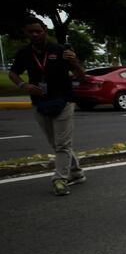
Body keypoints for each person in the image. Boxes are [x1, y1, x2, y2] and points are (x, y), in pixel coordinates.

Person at [8, 16, 87, 196]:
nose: (35, 34)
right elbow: (13, 73)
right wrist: (23, 85)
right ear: (25, 33)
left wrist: (74, 62)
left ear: (45, 30)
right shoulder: (24, 53)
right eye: (31, 31)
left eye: (38, 30)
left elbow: (81, 76)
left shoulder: (60, 50)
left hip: (63, 101)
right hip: (40, 103)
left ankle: (59, 179)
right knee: (56, 144)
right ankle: (76, 173)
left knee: (62, 145)